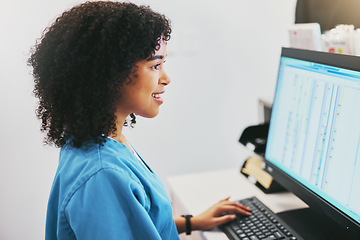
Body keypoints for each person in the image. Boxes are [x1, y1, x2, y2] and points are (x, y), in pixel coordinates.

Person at [28, 1, 251, 239]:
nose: (166, 78)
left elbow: (135, 222)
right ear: (111, 74)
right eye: (155, 65)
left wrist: (192, 222)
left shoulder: (98, 139)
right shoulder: (103, 175)